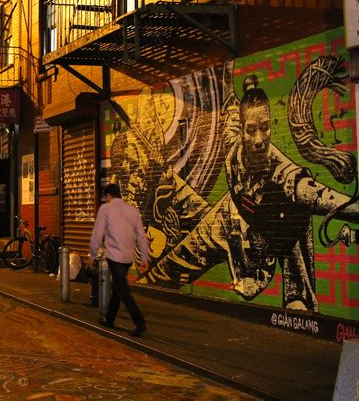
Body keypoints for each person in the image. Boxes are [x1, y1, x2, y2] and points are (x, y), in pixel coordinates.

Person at [144, 75, 359, 310]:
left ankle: (298, 298)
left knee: (297, 213)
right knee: (166, 270)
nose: (259, 139)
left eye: (265, 128)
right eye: (251, 130)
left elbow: (321, 196)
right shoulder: (234, 145)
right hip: (225, 220)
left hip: (259, 240)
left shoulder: (284, 173)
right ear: (244, 131)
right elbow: (233, 118)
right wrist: (236, 91)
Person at [89, 183, 150, 336]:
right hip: (128, 257)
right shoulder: (132, 210)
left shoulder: (105, 209)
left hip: (114, 257)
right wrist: (144, 256)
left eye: (106, 197)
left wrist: (92, 254)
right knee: (118, 286)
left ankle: (140, 323)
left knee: (122, 289)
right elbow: (141, 235)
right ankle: (110, 319)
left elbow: (98, 233)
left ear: (108, 196)